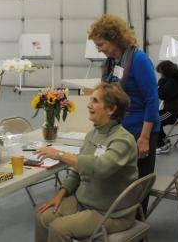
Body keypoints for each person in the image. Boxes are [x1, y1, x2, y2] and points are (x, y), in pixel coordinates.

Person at [35, 83, 138, 242]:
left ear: (111, 109)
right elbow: (77, 171)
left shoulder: (123, 140)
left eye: (95, 101)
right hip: (84, 202)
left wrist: (61, 154)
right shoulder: (93, 133)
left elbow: (101, 167)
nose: (89, 104)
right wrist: (60, 194)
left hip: (110, 212)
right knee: (42, 215)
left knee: (58, 228)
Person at [88, 14, 159, 213]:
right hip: (120, 129)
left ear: (114, 39)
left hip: (140, 130)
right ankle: (119, 220)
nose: (99, 49)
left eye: (101, 44)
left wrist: (144, 138)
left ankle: (137, 225)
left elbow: (152, 100)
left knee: (137, 183)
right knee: (120, 181)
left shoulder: (138, 60)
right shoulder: (112, 62)